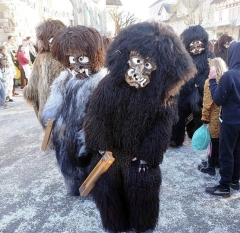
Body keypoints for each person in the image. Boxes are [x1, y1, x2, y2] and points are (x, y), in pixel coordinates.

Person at [83, 21, 197, 233]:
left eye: (147, 65)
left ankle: (142, 227)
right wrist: (101, 146)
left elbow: (162, 128)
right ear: (126, 57)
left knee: (142, 188)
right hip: (110, 153)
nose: (138, 70)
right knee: (108, 189)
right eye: (136, 61)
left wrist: (148, 155)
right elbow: (96, 117)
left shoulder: (163, 96)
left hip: (139, 156)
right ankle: (116, 226)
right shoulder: (108, 85)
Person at [41, 25, 107, 195]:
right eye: (70, 58)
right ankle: (74, 184)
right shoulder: (63, 81)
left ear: (93, 56)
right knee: (68, 164)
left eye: (81, 58)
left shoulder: (101, 82)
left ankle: (95, 187)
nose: (75, 64)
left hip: (89, 137)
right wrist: (52, 122)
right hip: (64, 136)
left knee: (92, 165)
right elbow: (52, 107)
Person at [170, 25, 215, 147]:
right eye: (192, 42)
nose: (195, 45)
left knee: (198, 116)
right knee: (178, 114)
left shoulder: (209, 56)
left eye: (198, 41)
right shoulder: (182, 56)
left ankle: (196, 136)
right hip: (183, 92)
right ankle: (176, 137)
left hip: (201, 92)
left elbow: (213, 74)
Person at [206, 41, 240, 197]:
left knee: (226, 153)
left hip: (230, 122)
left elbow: (218, 99)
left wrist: (212, 81)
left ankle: (224, 187)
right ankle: (234, 180)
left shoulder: (229, 75)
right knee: (238, 151)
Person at [23, 19, 66, 126]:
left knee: (53, 141)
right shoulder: (71, 56)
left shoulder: (41, 59)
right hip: (72, 114)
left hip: (49, 116)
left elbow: (31, 91)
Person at [198, 57, 227, 176]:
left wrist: (205, 118)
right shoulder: (227, 79)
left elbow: (207, 102)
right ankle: (218, 162)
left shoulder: (209, 82)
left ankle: (210, 166)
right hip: (225, 117)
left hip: (214, 118)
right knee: (221, 142)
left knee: (212, 142)